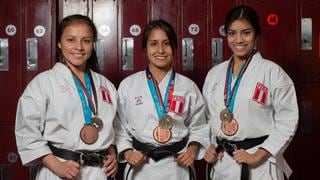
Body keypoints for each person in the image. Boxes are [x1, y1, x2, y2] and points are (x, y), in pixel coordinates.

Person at [15, 14, 118, 180]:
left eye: (86, 40)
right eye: (71, 40)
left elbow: (113, 126)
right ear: (59, 43)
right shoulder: (43, 83)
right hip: (60, 170)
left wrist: (112, 151)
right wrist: (57, 166)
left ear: (93, 44)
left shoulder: (105, 85)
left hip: (100, 172)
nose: (79, 47)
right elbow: (27, 131)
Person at [202, 5, 299, 180]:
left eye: (246, 33)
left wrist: (259, 155)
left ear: (256, 35)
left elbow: (288, 121)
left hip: (258, 165)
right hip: (222, 162)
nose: (238, 39)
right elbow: (208, 117)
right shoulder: (214, 74)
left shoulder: (272, 72)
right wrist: (209, 146)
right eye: (232, 33)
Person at [114, 19, 210, 180]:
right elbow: (118, 126)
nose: (160, 50)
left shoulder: (188, 86)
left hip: (177, 166)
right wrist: (128, 152)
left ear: (174, 48)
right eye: (153, 44)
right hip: (140, 167)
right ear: (145, 49)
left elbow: (199, 126)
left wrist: (191, 151)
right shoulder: (128, 85)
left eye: (166, 43)